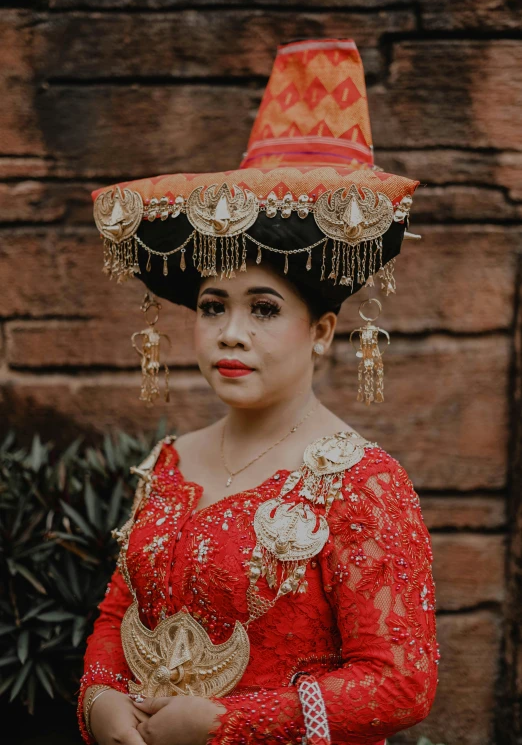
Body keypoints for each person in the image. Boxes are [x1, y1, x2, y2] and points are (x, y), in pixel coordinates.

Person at [79, 38, 440, 745]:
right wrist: (101, 704)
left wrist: (227, 722)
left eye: (264, 308)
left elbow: (402, 681)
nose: (229, 333)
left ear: (324, 330)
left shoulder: (363, 484)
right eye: (214, 305)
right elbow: (117, 615)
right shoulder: (170, 461)